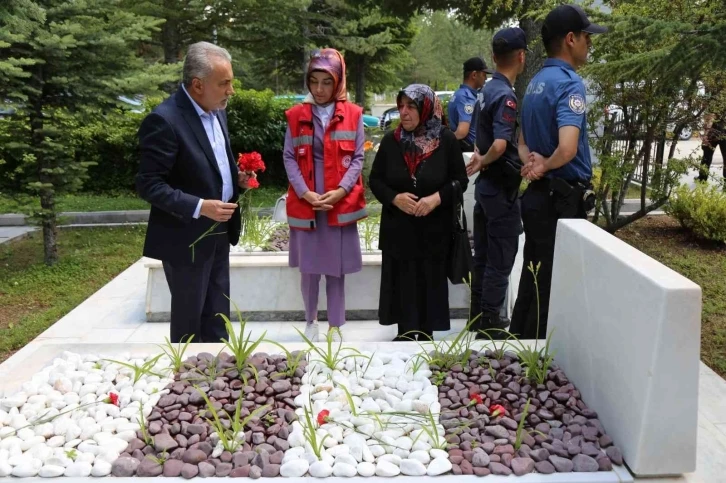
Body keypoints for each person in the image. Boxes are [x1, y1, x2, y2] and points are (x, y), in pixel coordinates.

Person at [136, 42, 255, 343]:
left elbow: (211, 163)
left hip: (219, 230)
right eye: (224, 83)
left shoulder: (217, 111)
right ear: (197, 85)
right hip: (185, 238)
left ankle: (217, 383)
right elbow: (149, 184)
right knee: (190, 325)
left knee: (217, 316)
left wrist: (236, 179)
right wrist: (200, 205)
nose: (231, 91)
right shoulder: (164, 120)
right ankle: (188, 386)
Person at [510, 4, 607, 339]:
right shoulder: (569, 85)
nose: (589, 45)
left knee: (533, 275)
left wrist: (532, 164)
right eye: (585, 37)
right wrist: (547, 165)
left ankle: (521, 348)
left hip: (538, 197)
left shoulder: (535, 82)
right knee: (556, 284)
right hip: (562, 201)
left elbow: (521, 141)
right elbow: (567, 149)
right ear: (570, 39)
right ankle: (544, 363)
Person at [369, 84, 469, 341]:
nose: (404, 112)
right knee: (401, 282)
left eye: (411, 106)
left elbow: (461, 180)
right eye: (401, 106)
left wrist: (436, 198)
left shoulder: (445, 139)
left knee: (429, 282)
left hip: (433, 229)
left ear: (425, 108)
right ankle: (404, 332)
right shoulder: (392, 141)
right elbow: (376, 181)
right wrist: (395, 198)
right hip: (399, 230)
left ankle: (426, 333)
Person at [282, 48, 366, 343]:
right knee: (309, 269)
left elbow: (358, 158)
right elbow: (289, 157)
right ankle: (310, 321)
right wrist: (305, 194)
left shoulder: (354, 115)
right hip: (308, 202)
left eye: (326, 82)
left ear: (339, 82)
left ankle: (336, 325)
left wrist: (340, 190)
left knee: (335, 268)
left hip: (337, 202)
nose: (319, 89)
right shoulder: (295, 115)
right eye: (314, 81)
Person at [465, 28, 528, 339]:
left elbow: (483, 138)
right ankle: (489, 323)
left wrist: (481, 159)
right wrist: (486, 159)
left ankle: (477, 316)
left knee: (484, 256)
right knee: (500, 256)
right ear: (521, 56)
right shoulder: (505, 95)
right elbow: (501, 145)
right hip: (501, 190)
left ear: (493, 57)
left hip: (486, 189)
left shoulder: (487, 90)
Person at [448, 57, 493, 152]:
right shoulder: (465, 97)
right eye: (484, 74)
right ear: (474, 75)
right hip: (469, 151)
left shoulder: (459, 94)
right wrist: (445, 145)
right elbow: (462, 132)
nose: (485, 78)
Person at [697, 111, 726, 182]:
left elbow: (709, 118)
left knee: (707, 156)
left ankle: (702, 179)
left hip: (713, 132)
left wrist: (706, 135)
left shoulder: (713, 101)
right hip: (722, 131)